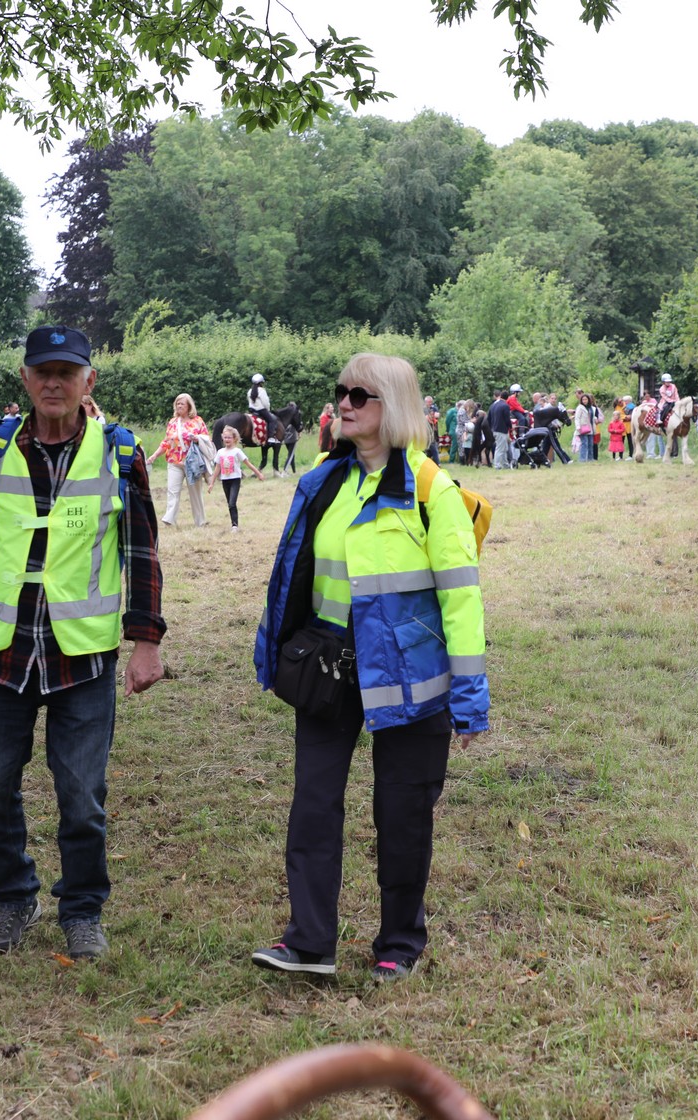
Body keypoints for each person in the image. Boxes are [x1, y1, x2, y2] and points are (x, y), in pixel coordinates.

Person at [0, 325, 166, 960]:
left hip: (82, 659)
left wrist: (146, 641)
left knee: (82, 798)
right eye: (42, 371)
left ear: (88, 381)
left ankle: (82, 910)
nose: (54, 383)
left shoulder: (119, 454)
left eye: (66, 373)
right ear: (24, 379)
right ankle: (14, 899)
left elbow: (141, 550)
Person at [252, 353, 488, 981]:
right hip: (329, 670)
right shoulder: (322, 481)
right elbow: (292, 577)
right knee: (313, 805)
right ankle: (309, 942)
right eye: (342, 392)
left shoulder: (434, 490)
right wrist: (275, 650)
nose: (345, 403)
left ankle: (399, 943)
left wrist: (470, 695)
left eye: (361, 395)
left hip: (412, 679)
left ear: (396, 406)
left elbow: (461, 598)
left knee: (403, 813)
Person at [144, 393, 212, 528]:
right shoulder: (173, 422)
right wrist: (154, 455)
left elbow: (207, 439)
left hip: (192, 463)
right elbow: (166, 442)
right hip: (174, 462)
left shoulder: (197, 421)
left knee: (195, 493)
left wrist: (196, 438)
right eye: (177, 403)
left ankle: (200, 521)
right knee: (172, 491)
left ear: (189, 406)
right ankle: (169, 520)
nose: (179, 406)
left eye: (182, 404)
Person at [214, 424, 266, 531]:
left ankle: (235, 526)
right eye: (225, 437)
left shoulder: (237, 451)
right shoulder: (220, 452)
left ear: (234, 439)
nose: (227, 439)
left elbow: (248, 464)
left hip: (235, 479)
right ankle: (233, 523)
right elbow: (217, 467)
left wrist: (258, 473)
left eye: (229, 437)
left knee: (232, 503)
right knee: (229, 504)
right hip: (225, 480)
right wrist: (212, 481)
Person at [489, 390, 513, 470]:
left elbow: (489, 418)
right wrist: (510, 426)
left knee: (504, 448)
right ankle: (497, 465)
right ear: (507, 398)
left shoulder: (493, 405)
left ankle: (505, 464)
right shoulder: (505, 406)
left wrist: (492, 427)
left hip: (494, 429)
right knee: (500, 448)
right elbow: (507, 419)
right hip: (501, 430)